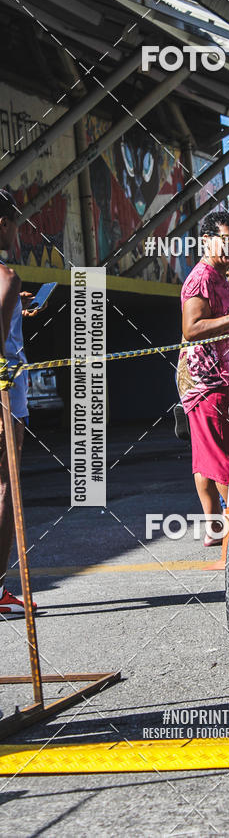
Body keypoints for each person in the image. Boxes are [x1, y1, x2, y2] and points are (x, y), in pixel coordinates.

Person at [178, 212, 229, 547]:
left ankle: (215, 528)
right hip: (206, 382)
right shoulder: (201, 278)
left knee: (206, 458)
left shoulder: (222, 278)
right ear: (206, 240)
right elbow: (191, 329)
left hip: (221, 379)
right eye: (225, 239)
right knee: (221, 459)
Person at [0, 189, 38, 617]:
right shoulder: (7, 276)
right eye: (13, 222)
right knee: (5, 485)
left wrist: (14, 312)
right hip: (6, 396)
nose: (17, 231)